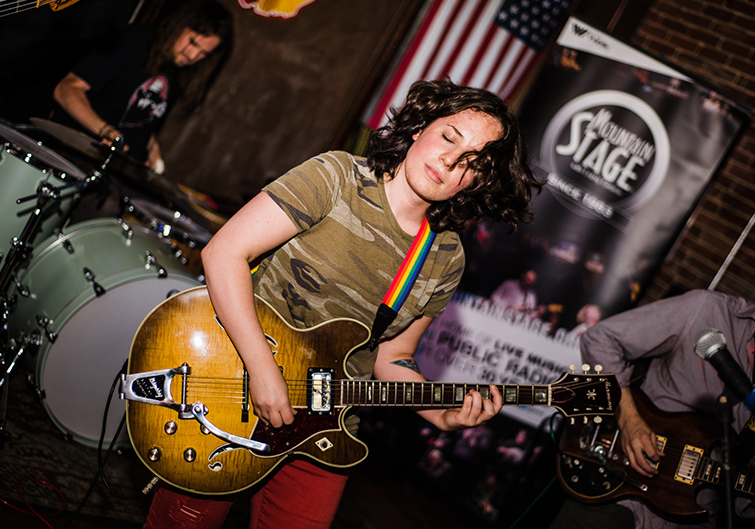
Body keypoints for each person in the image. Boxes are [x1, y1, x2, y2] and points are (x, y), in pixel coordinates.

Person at [141, 79, 542, 528]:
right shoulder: (337, 177)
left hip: (328, 427)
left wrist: (443, 414)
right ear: (419, 129)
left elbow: (393, 357)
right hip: (233, 386)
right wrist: (263, 371)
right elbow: (224, 253)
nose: (450, 160)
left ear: (478, 181)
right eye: (449, 137)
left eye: (472, 163)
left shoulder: (445, 256)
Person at [551, 289, 755, 529]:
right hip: (621, 489)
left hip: (693, 518)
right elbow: (600, 339)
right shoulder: (708, 309)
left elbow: (743, 505)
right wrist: (629, 419)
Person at [52, 0, 233, 173]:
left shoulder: (176, 73)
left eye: (203, 54)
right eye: (193, 42)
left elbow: (138, 118)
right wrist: (105, 131)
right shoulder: (133, 41)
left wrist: (153, 149)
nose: (192, 56)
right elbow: (67, 89)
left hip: (111, 170)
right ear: (180, 25)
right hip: (70, 157)